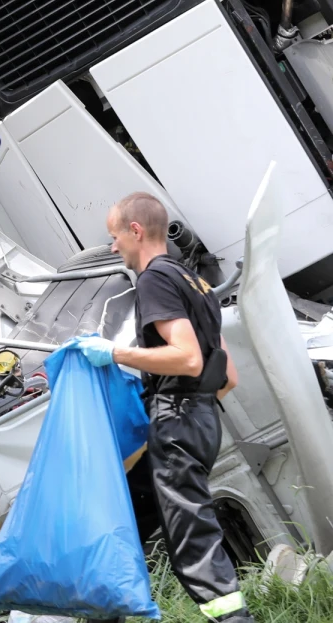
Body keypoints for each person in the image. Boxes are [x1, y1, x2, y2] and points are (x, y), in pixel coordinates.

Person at [73, 192, 252, 623]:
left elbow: (187, 357)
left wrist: (115, 354)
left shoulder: (153, 279)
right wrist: (192, 410)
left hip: (178, 423)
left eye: (115, 236)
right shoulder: (193, 281)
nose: (113, 246)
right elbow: (227, 374)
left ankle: (235, 619)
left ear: (135, 231)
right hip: (201, 419)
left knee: (193, 546)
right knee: (126, 516)